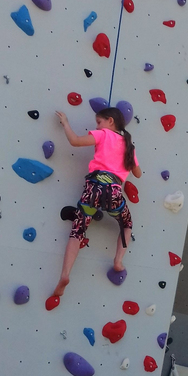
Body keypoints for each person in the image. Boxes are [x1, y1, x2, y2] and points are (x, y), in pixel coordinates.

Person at [49, 107, 142, 302]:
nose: (96, 126)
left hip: (93, 190)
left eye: (98, 122)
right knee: (126, 225)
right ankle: (118, 260)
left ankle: (65, 274)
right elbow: (138, 173)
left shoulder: (103, 135)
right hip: (114, 192)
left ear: (110, 121)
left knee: (78, 231)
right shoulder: (129, 146)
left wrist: (65, 123)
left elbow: (74, 141)